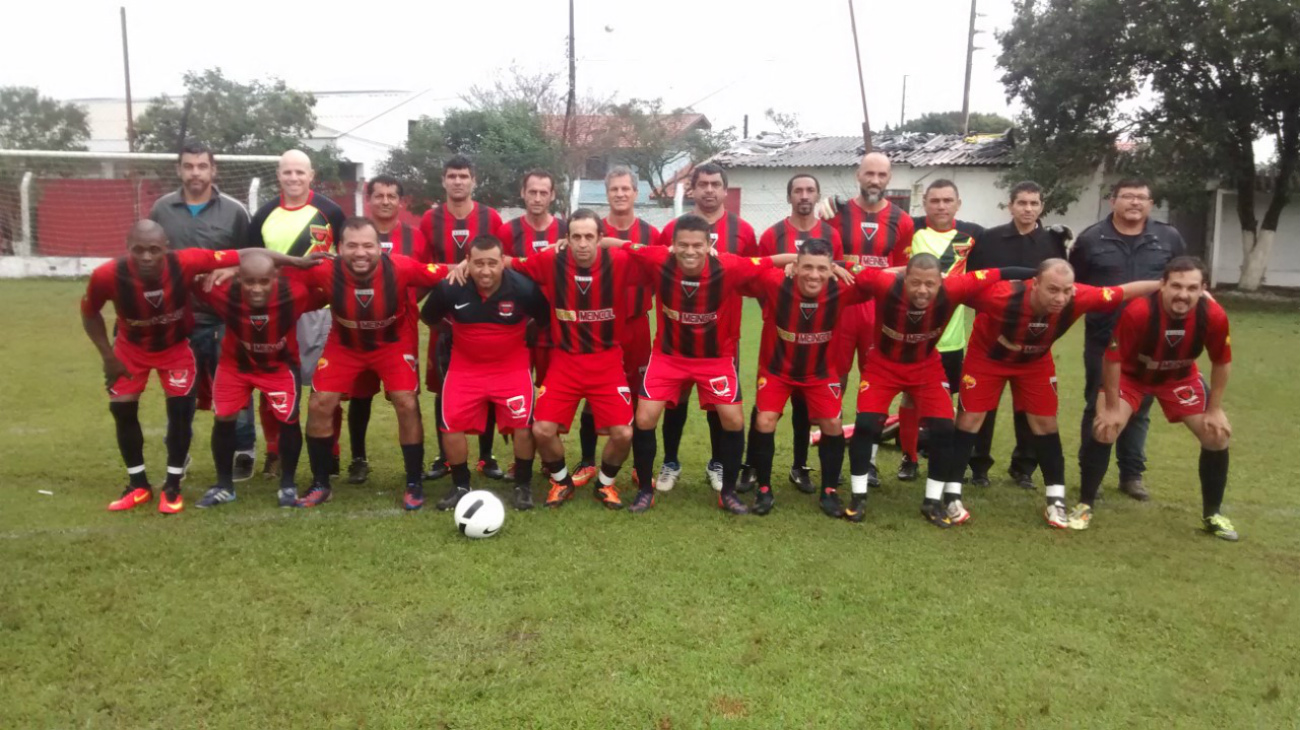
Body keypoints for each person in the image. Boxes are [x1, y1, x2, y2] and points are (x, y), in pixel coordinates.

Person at [951, 259, 1158, 527]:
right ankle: (951, 492)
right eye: (1052, 290)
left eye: (1066, 290)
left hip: (1035, 362)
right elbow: (952, 290)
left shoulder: (1079, 297)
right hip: (988, 358)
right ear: (1035, 285)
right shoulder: (1002, 296)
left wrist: (1163, 285)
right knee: (970, 419)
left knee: (1045, 423)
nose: (1060, 298)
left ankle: (1055, 499)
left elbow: (1123, 291)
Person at [624, 214, 794, 514]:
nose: (690, 251)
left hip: (713, 359)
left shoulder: (728, 265)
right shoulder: (658, 259)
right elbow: (620, 245)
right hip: (668, 357)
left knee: (734, 420)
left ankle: (728, 492)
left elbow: (770, 260)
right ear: (672, 246)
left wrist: (800, 260)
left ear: (708, 245)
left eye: (697, 245)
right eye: (684, 245)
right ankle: (645, 491)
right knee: (644, 418)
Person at [846, 254, 1019, 527]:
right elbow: (849, 267)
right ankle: (858, 498)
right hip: (883, 365)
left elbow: (1001, 270)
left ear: (941, 282)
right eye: (915, 283)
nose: (922, 290)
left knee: (943, 430)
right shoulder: (883, 283)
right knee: (866, 424)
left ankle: (932, 501)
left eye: (930, 284)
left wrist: (1040, 277)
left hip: (926, 367)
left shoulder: (956, 287)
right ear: (904, 279)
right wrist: (828, 266)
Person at [290, 217, 451, 509]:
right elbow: (277, 273)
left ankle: (414, 482)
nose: (360, 252)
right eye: (352, 246)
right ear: (339, 248)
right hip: (345, 343)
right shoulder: (325, 269)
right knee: (319, 403)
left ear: (380, 248)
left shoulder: (401, 267)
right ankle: (320, 483)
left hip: (392, 343)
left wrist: (488, 264)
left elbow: (444, 272)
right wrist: (228, 269)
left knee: (405, 401)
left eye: (367, 245)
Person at [81, 221, 241, 514]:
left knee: (180, 414)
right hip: (130, 349)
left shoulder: (186, 261)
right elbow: (89, 313)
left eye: (154, 250)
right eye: (138, 250)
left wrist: (290, 260)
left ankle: (173, 486)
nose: (146, 257)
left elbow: (242, 254)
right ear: (127, 248)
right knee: (122, 410)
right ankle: (138, 484)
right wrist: (108, 357)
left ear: (166, 248)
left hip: (176, 349)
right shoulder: (107, 275)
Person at [1073, 257, 1236, 541]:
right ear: (1162, 285)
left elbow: (1221, 362)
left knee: (1217, 435)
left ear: (1203, 289)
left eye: (1192, 287)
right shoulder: (1139, 312)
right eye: (1176, 286)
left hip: (1179, 378)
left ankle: (1213, 515)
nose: (1183, 294)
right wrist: (1111, 408)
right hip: (1131, 377)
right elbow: (1112, 360)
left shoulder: (1214, 316)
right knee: (1105, 427)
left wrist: (1215, 409)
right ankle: (1085, 505)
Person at [500, 209, 642, 511]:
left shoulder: (619, 261)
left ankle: (605, 484)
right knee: (541, 429)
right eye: (575, 236)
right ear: (566, 239)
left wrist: (619, 243)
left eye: (589, 237)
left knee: (624, 433)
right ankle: (561, 481)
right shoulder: (552, 261)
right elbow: (510, 263)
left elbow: (661, 260)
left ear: (600, 239)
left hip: (606, 361)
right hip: (565, 361)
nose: (582, 243)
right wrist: (464, 264)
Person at [1070, 178, 1187, 502]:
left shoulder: (1168, 237)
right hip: (1103, 337)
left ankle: (1131, 474)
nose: (1134, 202)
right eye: (1127, 197)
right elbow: (1076, 289)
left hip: (1152, 340)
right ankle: (1090, 474)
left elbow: (1184, 280)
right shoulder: (1091, 239)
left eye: (1141, 197)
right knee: (1099, 403)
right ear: (1113, 201)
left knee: (1140, 407)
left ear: (1150, 203)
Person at [148, 140, 259, 480]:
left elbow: (252, 257)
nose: (195, 173)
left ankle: (243, 449)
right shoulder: (161, 210)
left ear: (214, 169)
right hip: (179, 317)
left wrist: (234, 269)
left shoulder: (235, 211)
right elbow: (151, 259)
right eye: (188, 166)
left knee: (234, 383)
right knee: (179, 388)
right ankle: (177, 454)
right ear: (179, 169)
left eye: (201, 166)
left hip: (226, 316)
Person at [421, 236, 550, 512]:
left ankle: (523, 485)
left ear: (502, 262)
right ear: (468, 261)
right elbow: (429, 316)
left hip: (511, 366)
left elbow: (543, 317)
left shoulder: (523, 288)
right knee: (451, 425)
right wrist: (457, 334)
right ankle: (460, 485)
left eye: (493, 263)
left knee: (522, 426)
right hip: (465, 367)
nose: (486, 270)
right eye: (479, 263)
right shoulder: (451, 287)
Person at [190, 250, 327, 508]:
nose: (256, 288)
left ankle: (287, 484)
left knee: (288, 420)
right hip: (235, 367)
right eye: (249, 281)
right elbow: (183, 277)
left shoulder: (295, 292)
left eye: (263, 281)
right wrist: (224, 268)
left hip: (279, 367)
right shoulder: (220, 291)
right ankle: (224, 486)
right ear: (238, 278)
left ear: (276, 278)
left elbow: (330, 289)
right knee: (224, 418)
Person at [654, 163, 758, 493]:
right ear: (693, 190)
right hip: (677, 335)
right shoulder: (671, 228)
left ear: (725, 191)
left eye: (715, 184)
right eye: (703, 184)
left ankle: (717, 463)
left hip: (723, 336)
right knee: (675, 401)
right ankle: (670, 462)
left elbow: (752, 278)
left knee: (719, 404)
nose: (709, 190)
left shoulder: (743, 230)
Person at [963, 181, 1072, 490]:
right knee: (982, 405)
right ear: (1010, 205)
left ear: (1041, 207)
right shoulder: (990, 238)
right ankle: (979, 466)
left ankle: (1023, 467)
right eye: (1022, 203)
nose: (1028, 209)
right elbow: (974, 284)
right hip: (992, 333)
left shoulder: (1052, 243)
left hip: (1035, 335)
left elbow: (1065, 293)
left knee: (1029, 407)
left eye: (1034, 203)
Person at [740, 238, 859, 517]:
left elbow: (883, 275)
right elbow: (743, 269)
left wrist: (843, 265)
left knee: (832, 422)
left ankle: (829, 490)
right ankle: (765, 488)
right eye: (807, 267)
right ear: (796, 265)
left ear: (831, 269)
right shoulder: (775, 282)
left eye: (822, 268)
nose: (814, 275)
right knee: (764, 419)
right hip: (777, 370)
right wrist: (783, 261)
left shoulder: (842, 286)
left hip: (820, 373)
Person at [742, 173, 845, 495]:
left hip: (816, 338)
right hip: (782, 333)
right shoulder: (773, 234)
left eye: (810, 190)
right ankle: (753, 469)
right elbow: (760, 276)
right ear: (789, 196)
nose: (804, 195)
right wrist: (776, 309)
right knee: (766, 407)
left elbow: (835, 270)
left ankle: (800, 466)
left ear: (817, 196)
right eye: (798, 190)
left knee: (806, 406)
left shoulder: (831, 233)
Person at [818, 152, 915, 487]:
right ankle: (829, 457)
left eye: (882, 175)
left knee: (875, 385)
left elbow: (907, 268)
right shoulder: (836, 213)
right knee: (837, 380)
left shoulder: (902, 220)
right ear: (858, 175)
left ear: (889, 178)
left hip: (880, 310)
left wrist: (873, 274)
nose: (875, 180)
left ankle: (868, 461)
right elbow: (821, 257)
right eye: (869, 173)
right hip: (842, 310)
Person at [248, 150, 347, 479]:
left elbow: (347, 257)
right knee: (272, 385)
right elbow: (248, 261)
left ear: (311, 175)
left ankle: (331, 453)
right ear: (279, 175)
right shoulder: (263, 214)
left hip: (321, 314)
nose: (293, 178)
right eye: (287, 172)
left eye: (299, 172)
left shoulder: (331, 211)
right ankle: (274, 453)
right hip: (275, 314)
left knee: (325, 387)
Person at [566, 167, 660, 488]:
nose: (620, 194)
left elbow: (662, 271)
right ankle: (588, 460)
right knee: (594, 393)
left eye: (625, 188)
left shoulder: (650, 233)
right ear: (606, 194)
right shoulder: (591, 229)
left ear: (636, 193)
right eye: (614, 189)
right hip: (600, 327)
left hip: (637, 326)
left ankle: (639, 463)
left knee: (641, 396)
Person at [419, 155, 506, 481]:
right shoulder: (430, 219)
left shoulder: (491, 217)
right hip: (447, 317)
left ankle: (486, 455)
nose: (458, 181)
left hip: (486, 316)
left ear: (474, 181)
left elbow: (501, 263)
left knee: (490, 385)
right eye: (452, 175)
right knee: (445, 386)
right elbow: (426, 267)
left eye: (464, 176)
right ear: (444, 180)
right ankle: (444, 455)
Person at [345, 174, 430, 485]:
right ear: (369, 199)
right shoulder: (355, 235)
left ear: (400, 201)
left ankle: (414, 464)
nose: (384, 201)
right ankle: (358, 458)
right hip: (359, 328)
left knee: (405, 396)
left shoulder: (416, 237)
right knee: (361, 394)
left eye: (391, 196)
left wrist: (406, 302)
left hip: (400, 329)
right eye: (378, 195)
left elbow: (423, 278)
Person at [900, 180, 986, 483]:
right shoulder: (911, 231)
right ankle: (908, 457)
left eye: (947, 200)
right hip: (915, 335)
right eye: (934, 200)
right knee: (910, 399)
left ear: (957, 204)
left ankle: (942, 460)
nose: (941, 206)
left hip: (951, 340)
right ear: (924, 203)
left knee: (945, 403)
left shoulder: (972, 236)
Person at [495, 169, 567, 394]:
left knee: (551, 394)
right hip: (517, 324)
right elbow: (495, 268)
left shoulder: (567, 231)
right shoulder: (507, 231)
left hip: (556, 326)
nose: (537, 198)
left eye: (543, 193)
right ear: (523, 193)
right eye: (532, 192)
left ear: (552, 195)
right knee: (516, 393)